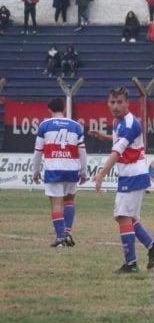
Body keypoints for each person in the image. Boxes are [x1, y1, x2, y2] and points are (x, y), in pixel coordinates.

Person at [91, 86, 154, 273]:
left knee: (122, 217)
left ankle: (131, 264)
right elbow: (120, 141)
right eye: (112, 102)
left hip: (133, 176)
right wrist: (104, 136)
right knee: (129, 219)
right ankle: (153, 247)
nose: (115, 106)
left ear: (127, 103)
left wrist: (101, 174)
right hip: (131, 175)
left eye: (119, 102)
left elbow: (117, 152)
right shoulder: (118, 121)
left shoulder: (131, 124)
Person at [32, 97, 87, 247]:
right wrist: (84, 172)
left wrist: (35, 172)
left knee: (56, 204)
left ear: (49, 109)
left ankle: (60, 237)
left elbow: (38, 151)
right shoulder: (76, 126)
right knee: (69, 201)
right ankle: (67, 233)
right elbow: (82, 151)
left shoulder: (44, 125)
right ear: (64, 109)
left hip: (53, 168)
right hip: (71, 168)